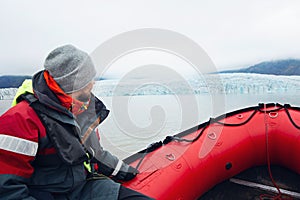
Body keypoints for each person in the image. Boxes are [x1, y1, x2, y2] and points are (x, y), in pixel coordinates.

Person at [0, 45, 153, 200]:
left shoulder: (82, 109)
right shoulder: (20, 119)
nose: (93, 83)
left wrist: (129, 172)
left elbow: (97, 154)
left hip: (85, 188)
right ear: (72, 83)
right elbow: (7, 189)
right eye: (87, 80)